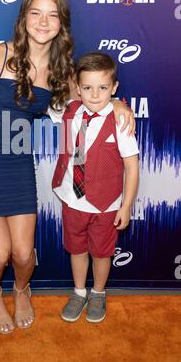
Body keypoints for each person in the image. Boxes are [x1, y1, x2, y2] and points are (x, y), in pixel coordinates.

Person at [0, 0, 134, 335]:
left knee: (24, 255)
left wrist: (120, 104)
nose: (43, 22)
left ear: (62, 23)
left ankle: (21, 288)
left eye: (52, 15)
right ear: (24, 18)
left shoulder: (62, 71)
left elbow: (97, 97)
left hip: (17, 164)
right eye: (36, 13)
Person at [48, 52, 139, 324]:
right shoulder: (69, 109)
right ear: (77, 88)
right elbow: (42, 93)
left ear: (114, 88)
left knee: (101, 252)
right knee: (77, 249)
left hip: (106, 205)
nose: (95, 95)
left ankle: (98, 292)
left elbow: (132, 167)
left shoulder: (121, 121)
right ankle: (79, 292)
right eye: (87, 88)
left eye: (103, 88)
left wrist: (126, 205)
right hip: (71, 199)